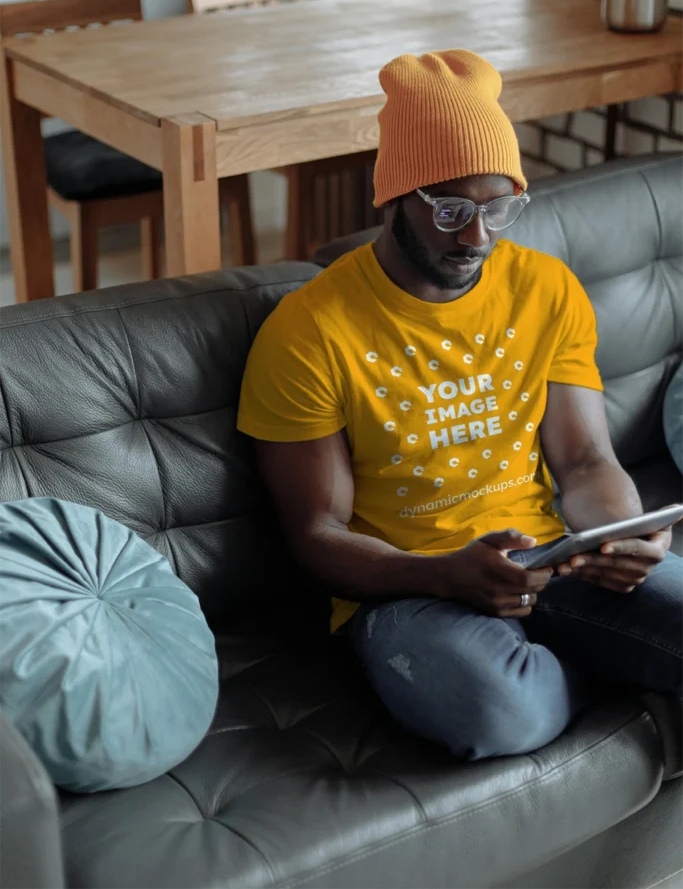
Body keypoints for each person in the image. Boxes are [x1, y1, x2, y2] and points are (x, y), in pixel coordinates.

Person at [237, 48, 682, 760]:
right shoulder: (308, 332)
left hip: (551, 560)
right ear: (391, 199)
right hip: (408, 590)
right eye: (449, 210)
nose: (475, 236)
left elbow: (583, 458)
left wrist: (620, 535)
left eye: (497, 207)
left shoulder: (545, 288)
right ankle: (623, 667)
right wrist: (441, 572)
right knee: (500, 713)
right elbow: (315, 534)